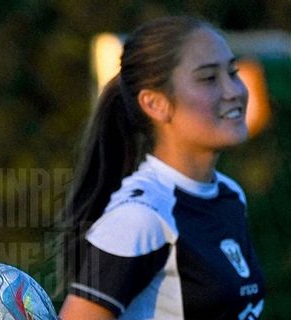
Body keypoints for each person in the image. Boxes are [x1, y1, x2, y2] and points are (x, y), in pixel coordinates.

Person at [58, 16, 265, 319]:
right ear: (155, 103)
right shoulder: (140, 217)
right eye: (209, 78)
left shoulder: (230, 195)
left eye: (232, 72)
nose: (233, 90)